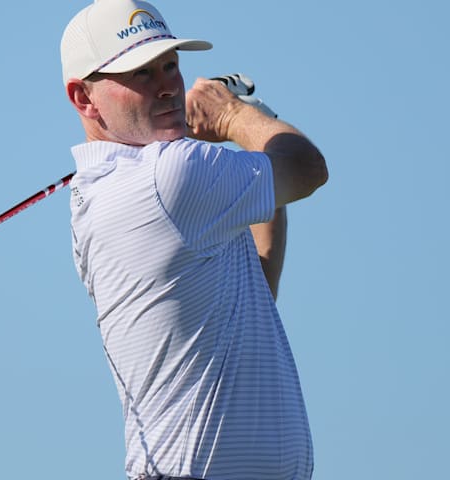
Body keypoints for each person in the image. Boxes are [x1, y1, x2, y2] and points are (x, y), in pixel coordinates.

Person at [60, 0, 327, 478]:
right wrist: (236, 119)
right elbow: (307, 167)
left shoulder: (104, 196)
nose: (167, 85)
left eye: (170, 64)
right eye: (141, 73)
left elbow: (259, 285)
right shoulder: (171, 174)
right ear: (84, 99)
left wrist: (249, 145)